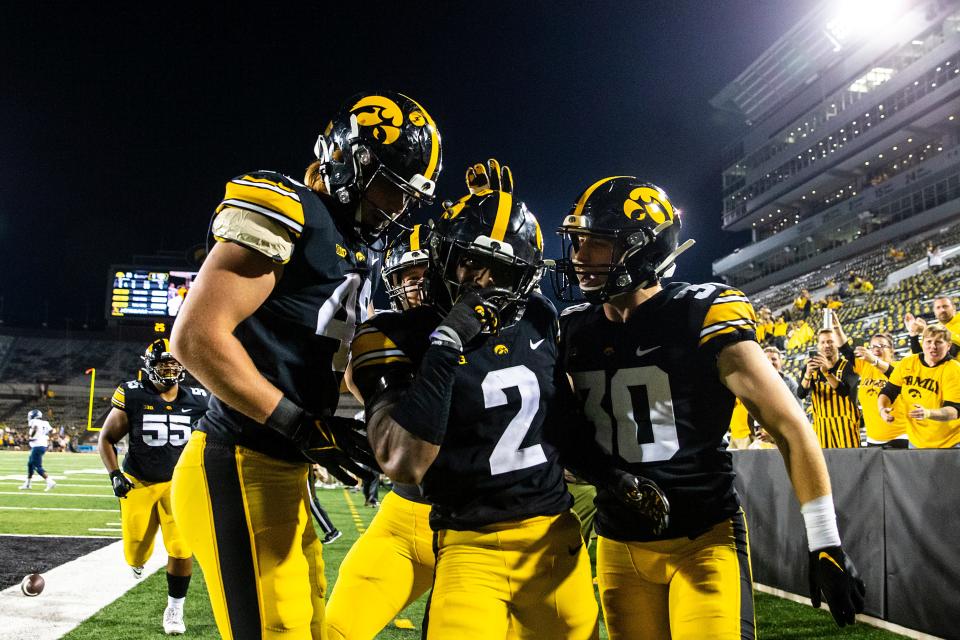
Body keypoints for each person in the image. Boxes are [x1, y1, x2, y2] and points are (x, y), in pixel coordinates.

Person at [349, 161, 665, 639]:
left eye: (499, 272)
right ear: (441, 254)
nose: (478, 281)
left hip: (553, 544)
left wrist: (609, 475)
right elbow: (405, 462)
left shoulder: (538, 315)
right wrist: (444, 343)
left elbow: (558, 422)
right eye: (467, 261)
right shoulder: (395, 334)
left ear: (524, 280)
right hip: (466, 544)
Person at [169, 91, 441, 639]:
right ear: (348, 159)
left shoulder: (353, 247)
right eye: (391, 187)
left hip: (283, 471)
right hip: (238, 461)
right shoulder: (290, 208)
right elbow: (196, 337)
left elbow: (331, 359)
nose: (397, 208)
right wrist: (296, 421)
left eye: (408, 198)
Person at [552, 176, 865, 638]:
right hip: (619, 543)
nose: (579, 258)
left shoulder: (700, 313)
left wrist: (824, 540)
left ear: (643, 249)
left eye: (596, 243)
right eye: (578, 243)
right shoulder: (573, 328)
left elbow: (790, 426)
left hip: (703, 539)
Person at [326, 224, 435, 640]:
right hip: (404, 515)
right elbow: (360, 382)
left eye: (424, 273)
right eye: (406, 278)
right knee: (336, 629)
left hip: (474, 526)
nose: (415, 285)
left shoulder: (494, 331)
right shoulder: (388, 331)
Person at [97, 339, 209, 635]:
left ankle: (175, 608)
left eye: (174, 363)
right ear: (149, 366)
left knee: (182, 549)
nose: (169, 369)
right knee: (135, 553)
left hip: (179, 484)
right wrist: (114, 474)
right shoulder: (132, 394)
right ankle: (137, 562)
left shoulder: (198, 399)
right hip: (139, 482)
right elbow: (106, 438)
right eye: (163, 363)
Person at [878, 324, 960, 448]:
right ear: (922, 343)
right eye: (929, 341)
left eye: (939, 342)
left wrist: (928, 413)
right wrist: (882, 409)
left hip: (950, 443)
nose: (933, 346)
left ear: (948, 346)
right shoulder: (907, 363)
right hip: (915, 441)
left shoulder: (954, 369)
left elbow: (954, 410)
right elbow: (888, 391)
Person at [797, 328, 862, 448]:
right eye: (823, 342)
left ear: (837, 343)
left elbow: (844, 391)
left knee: (849, 462)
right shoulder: (810, 367)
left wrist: (827, 373)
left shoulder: (849, 365)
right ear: (818, 345)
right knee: (825, 464)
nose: (826, 345)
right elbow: (801, 394)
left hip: (845, 426)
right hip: (821, 427)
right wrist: (807, 375)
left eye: (830, 341)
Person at [19, 409, 56, 491]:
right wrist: (45, 436)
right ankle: (28, 484)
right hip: (42, 445)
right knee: (30, 464)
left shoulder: (34, 421)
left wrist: (31, 437)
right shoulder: (45, 423)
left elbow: (35, 428)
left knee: (37, 466)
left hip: (37, 446)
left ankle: (50, 482)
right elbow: (53, 431)